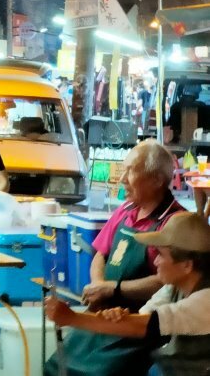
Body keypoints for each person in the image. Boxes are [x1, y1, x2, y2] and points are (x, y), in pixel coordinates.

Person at [44, 139, 185, 376]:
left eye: (131, 171)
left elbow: (169, 282)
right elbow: (101, 253)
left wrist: (113, 289)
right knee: (56, 365)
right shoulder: (125, 210)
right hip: (105, 313)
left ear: (157, 180)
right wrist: (98, 285)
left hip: (138, 323)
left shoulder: (175, 222)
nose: (122, 179)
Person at [46, 211, 210, 376]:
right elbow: (143, 317)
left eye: (161, 255)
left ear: (187, 265)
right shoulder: (173, 287)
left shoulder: (205, 301)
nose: (156, 261)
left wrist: (71, 318)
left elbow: (144, 326)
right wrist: (119, 316)